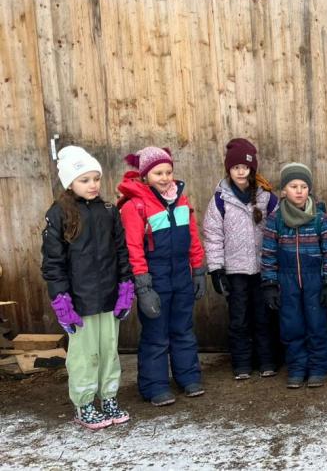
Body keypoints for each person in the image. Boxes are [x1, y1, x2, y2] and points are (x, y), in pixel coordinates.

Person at [41, 146, 133, 429]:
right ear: (70, 183)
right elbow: (53, 262)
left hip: (107, 297)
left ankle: (108, 398)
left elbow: (121, 251)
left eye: (96, 178)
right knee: (84, 356)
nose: (93, 184)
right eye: (85, 180)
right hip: (79, 303)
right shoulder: (58, 214)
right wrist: (61, 300)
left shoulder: (108, 211)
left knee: (108, 352)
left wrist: (125, 287)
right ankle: (84, 404)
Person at [118, 146, 206, 406]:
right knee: (156, 334)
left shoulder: (181, 199)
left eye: (168, 171)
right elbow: (133, 247)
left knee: (183, 329)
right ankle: (155, 385)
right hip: (155, 278)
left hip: (181, 275)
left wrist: (198, 269)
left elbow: (192, 237)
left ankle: (188, 377)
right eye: (158, 173)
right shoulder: (135, 205)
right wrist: (143, 287)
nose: (165, 177)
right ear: (145, 175)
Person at [203, 138, 280, 380]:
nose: (240, 171)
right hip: (235, 271)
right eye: (235, 167)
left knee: (263, 316)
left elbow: (278, 229)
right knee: (239, 319)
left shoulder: (267, 198)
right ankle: (242, 364)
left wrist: (277, 263)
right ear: (229, 169)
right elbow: (213, 234)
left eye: (244, 167)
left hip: (262, 269)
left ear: (251, 169)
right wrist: (216, 268)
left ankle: (267, 360)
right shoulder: (220, 199)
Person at [260, 163, 327, 389]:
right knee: (292, 326)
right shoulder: (276, 220)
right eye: (293, 186)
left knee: (316, 324)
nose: (299, 191)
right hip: (287, 279)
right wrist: (270, 283)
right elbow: (269, 253)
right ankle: (297, 367)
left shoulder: (320, 219)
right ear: (284, 190)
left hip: (315, 279)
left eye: (304, 186)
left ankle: (318, 367)